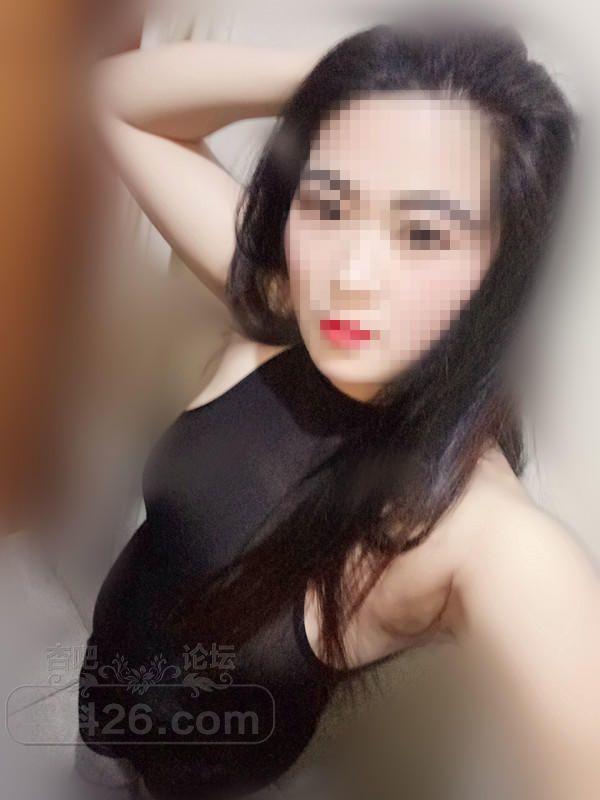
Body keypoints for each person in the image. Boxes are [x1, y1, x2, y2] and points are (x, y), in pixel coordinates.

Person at [78, 12, 600, 800]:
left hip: (201, 776)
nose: (350, 276)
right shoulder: (289, 309)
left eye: (423, 234)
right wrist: (356, 74)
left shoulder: (478, 533)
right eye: (328, 206)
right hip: (99, 689)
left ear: (505, 259)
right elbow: (116, 98)